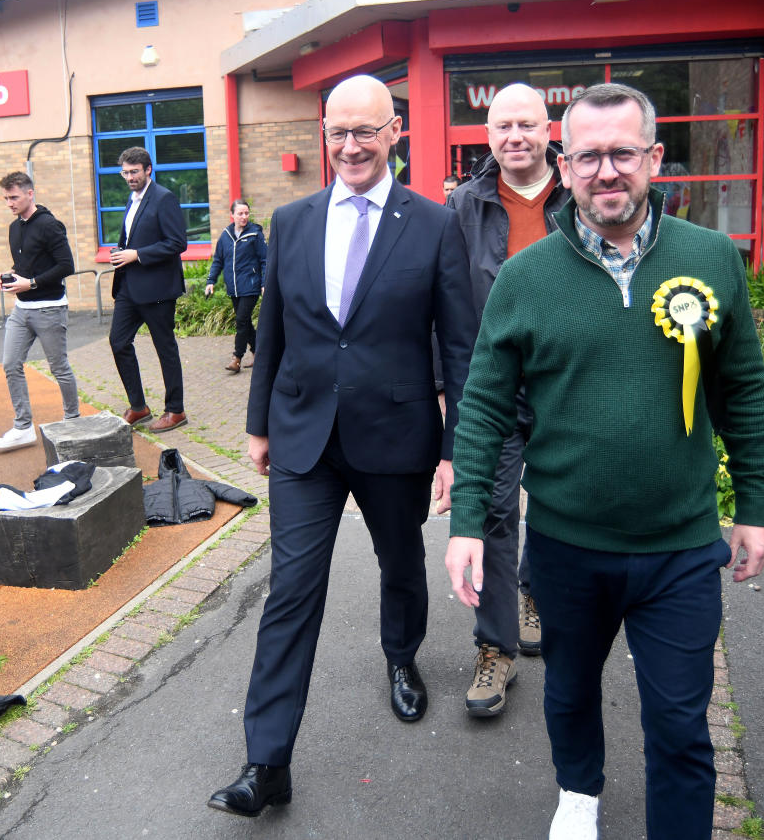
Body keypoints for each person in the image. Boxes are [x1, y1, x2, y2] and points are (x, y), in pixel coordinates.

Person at [445, 82, 764, 840]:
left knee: (681, 726)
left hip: (681, 548)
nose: (606, 172)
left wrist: (754, 508)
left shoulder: (712, 258)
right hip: (566, 548)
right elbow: (486, 406)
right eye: (588, 156)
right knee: (569, 692)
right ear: (565, 164)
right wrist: (468, 524)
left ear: (654, 159)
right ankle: (579, 793)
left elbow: (745, 393)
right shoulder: (526, 279)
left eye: (622, 153)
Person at [208, 74, 477, 818]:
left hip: (396, 436)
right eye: (337, 132)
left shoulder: (432, 223)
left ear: (395, 133)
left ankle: (401, 655)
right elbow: (275, 334)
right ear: (322, 136)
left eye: (365, 131)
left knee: (400, 562)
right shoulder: (291, 220)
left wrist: (457, 448)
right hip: (303, 436)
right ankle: (267, 763)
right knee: (291, 590)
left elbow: (461, 348)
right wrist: (258, 423)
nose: (350, 146)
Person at [445, 82, 572, 717]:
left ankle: (533, 591)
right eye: (502, 126)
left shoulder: (581, 197)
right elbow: (443, 308)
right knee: (493, 512)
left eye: (526, 124)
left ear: (548, 129)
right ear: (487, 134)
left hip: (568, 387)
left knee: (556, 506)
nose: (514, 137)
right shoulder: (463, 207)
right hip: (491, 389)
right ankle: (495, 648)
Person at [0, 170, 80, 450]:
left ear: (30, 193)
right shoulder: (14, 228)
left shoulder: (50, 225)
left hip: (50, 309)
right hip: (22, 309)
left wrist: (31, 283)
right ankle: (23, 426)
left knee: (59, 368)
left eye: (14, 197)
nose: (9, 203)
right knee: (10, 364)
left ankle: (73, 422)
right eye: (6, 198)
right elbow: (26, 265)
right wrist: (12, 275)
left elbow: (67, 266)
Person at [108, 147, 189, 433]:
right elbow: (132, 237)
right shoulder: (131, 200)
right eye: (125, 173)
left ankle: (175, 410)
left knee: (165, 348)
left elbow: (177, 242)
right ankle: (139, 407)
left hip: (157, 289)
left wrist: (137, 254)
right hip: (129, 286)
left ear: (148, 170)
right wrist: (121, 252)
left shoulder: (164, 198)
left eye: (134, 172)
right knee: (118, 342)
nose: (129, 177)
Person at [204, 199, 267, 374]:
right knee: (245, 322)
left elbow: (265, 260)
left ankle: (237, 358)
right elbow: (218, 261)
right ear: (232, 215)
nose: (244, 216)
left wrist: (264, 282)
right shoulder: (225, 236)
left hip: (251, 285)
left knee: (241, 320)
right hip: (233, 288)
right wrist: (211, 281)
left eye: (246, 213)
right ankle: (258, 354)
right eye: (240, 213)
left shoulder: (255, 234)